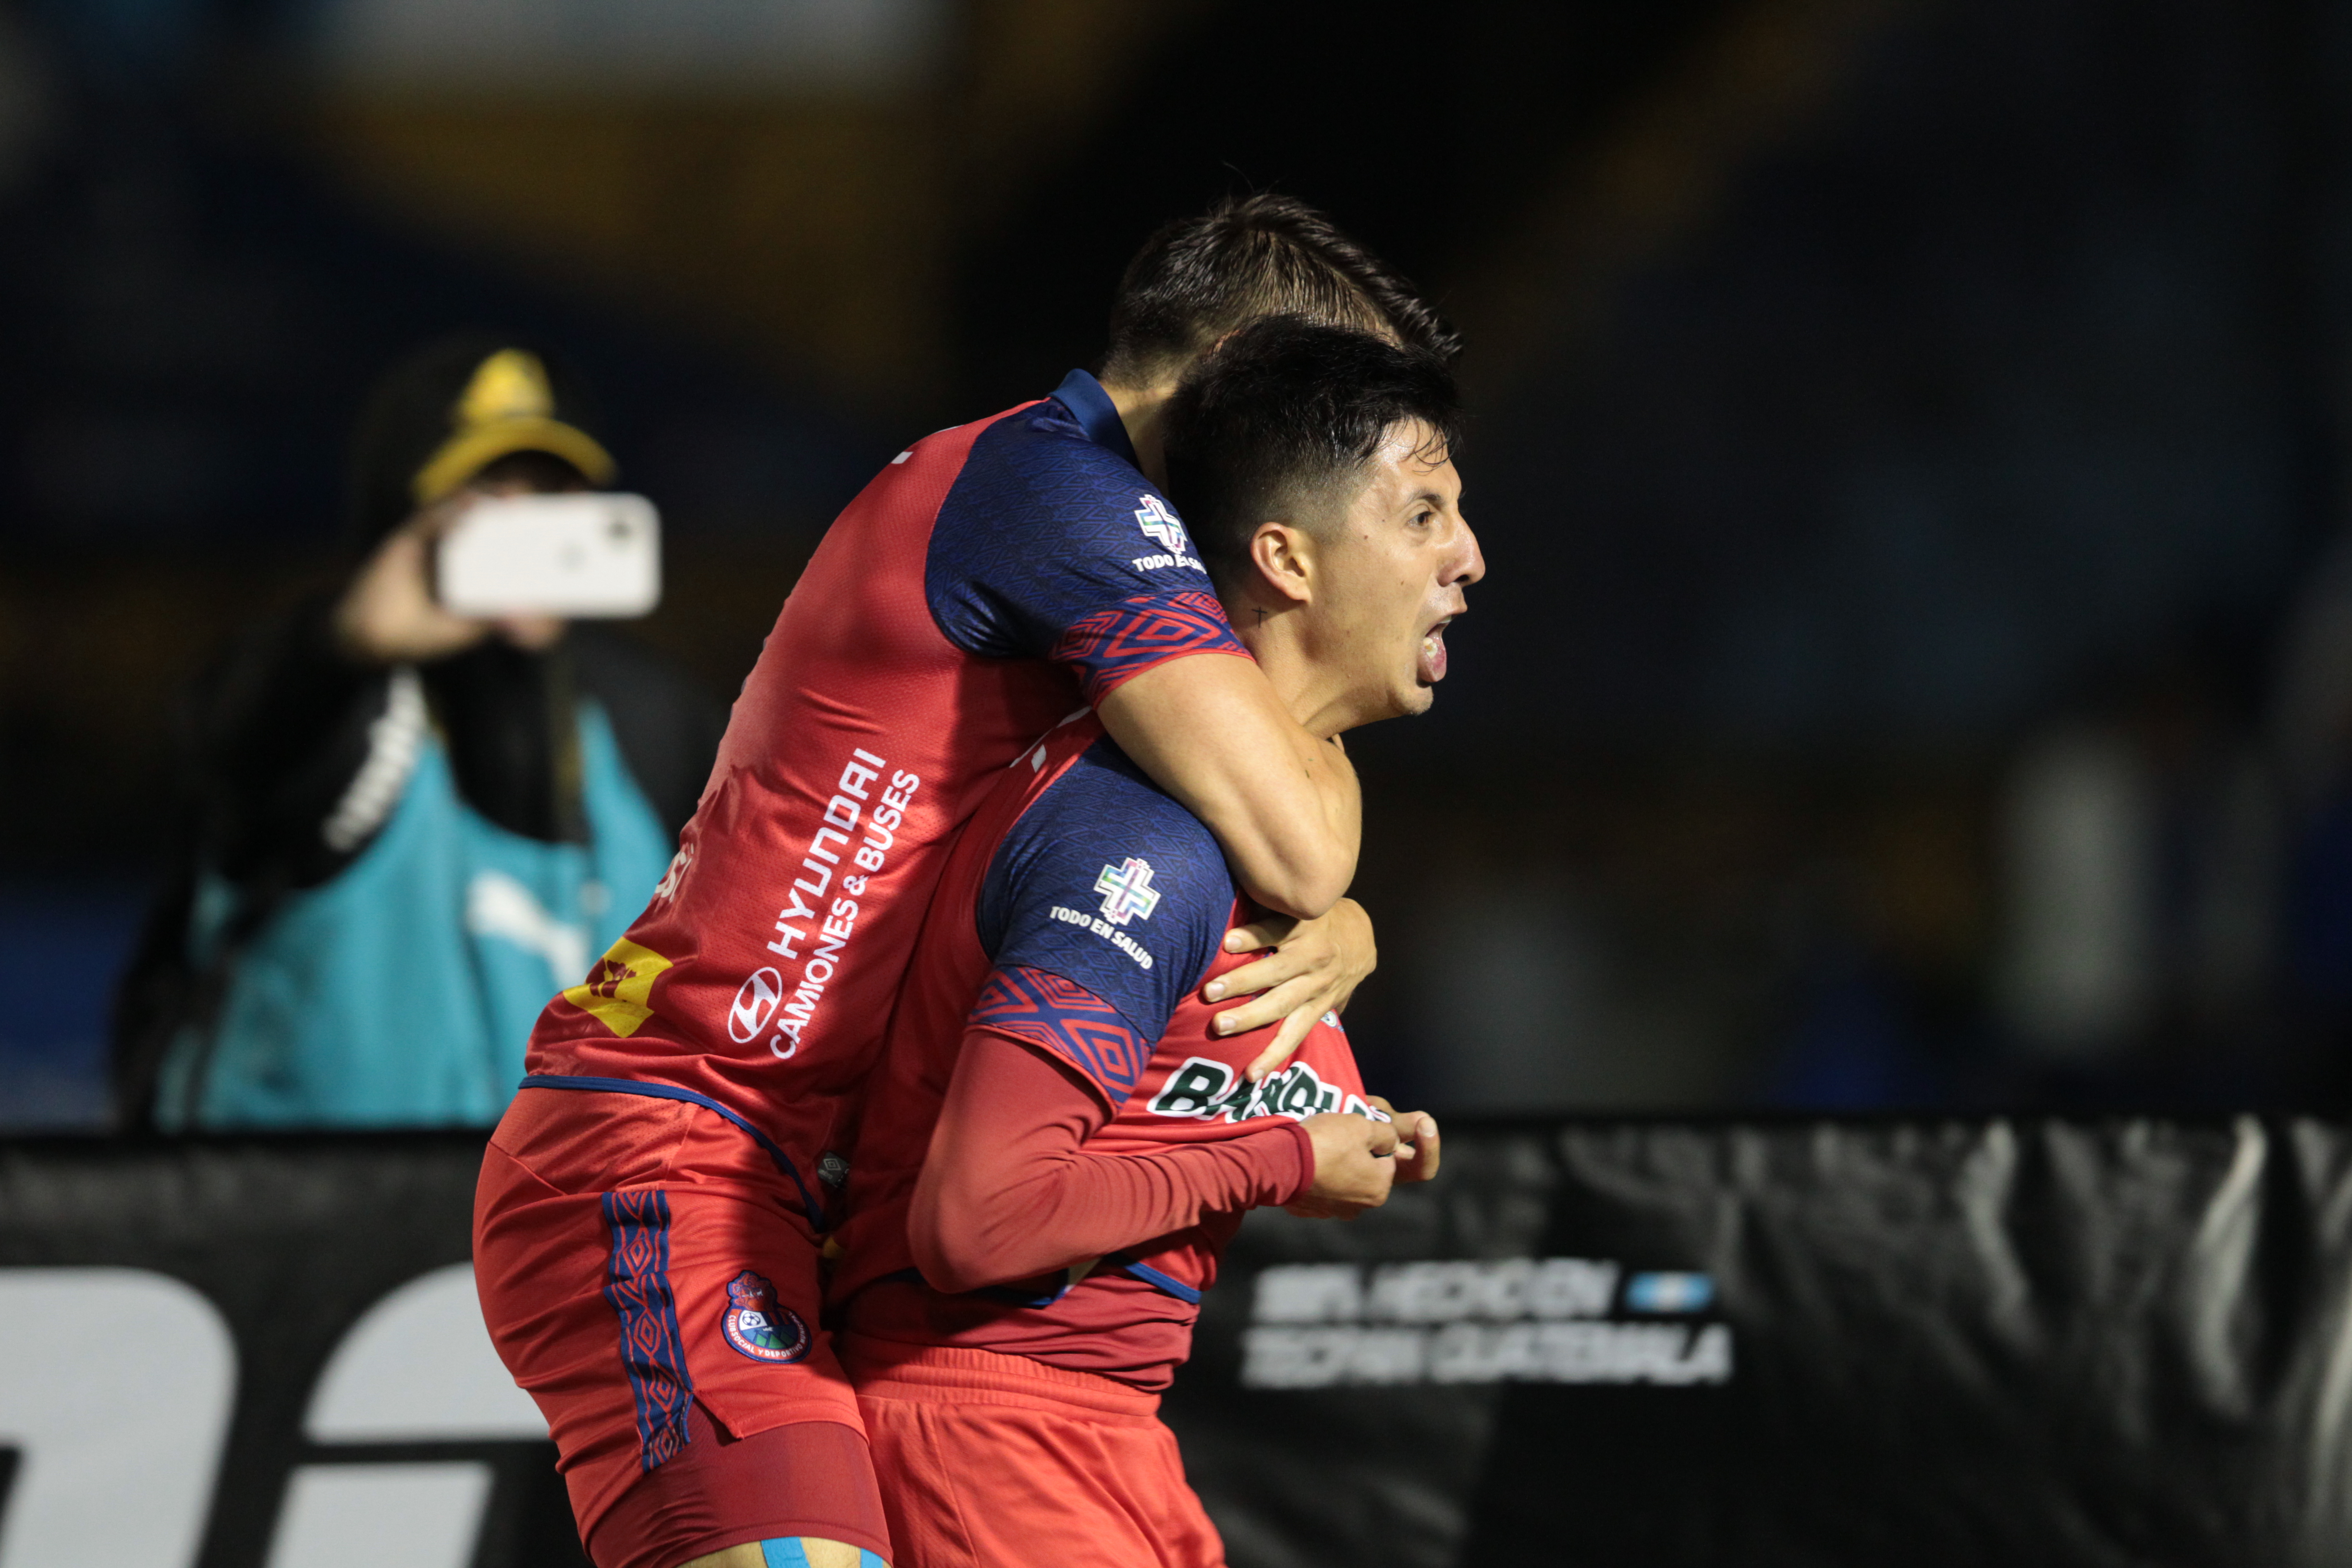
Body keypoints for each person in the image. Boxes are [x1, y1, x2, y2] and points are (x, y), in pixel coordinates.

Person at [474, 197, 1457, 1568]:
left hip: (778, 1180)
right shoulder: (1060, 491)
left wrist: (1338, 922)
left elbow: (1288, 760)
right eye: (1321, 397)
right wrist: (1329, 908)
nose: (1323, 442)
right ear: (1232, 358)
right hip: (671, 1138)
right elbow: (1296, 832)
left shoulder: (1064, 507)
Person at [831, 319, 1474, 1567]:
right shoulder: (1145, 843)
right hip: (986, 1440)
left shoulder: (1251, 851)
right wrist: (1283, 1155)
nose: (1469, 559)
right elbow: (978, 1220)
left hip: (1091, 1447)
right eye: (1424, 516)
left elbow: (1146, 1110)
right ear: (1287, 558)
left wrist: (1339, 1122)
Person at [111, 336, 721, 1130]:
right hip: (292, 1228)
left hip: (558, 1228)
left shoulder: (649, 720)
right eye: (485, 498)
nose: (528, 525)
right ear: (400, 519)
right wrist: (342, 649)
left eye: (551, 492)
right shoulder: (330, 701)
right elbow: (228, 746)